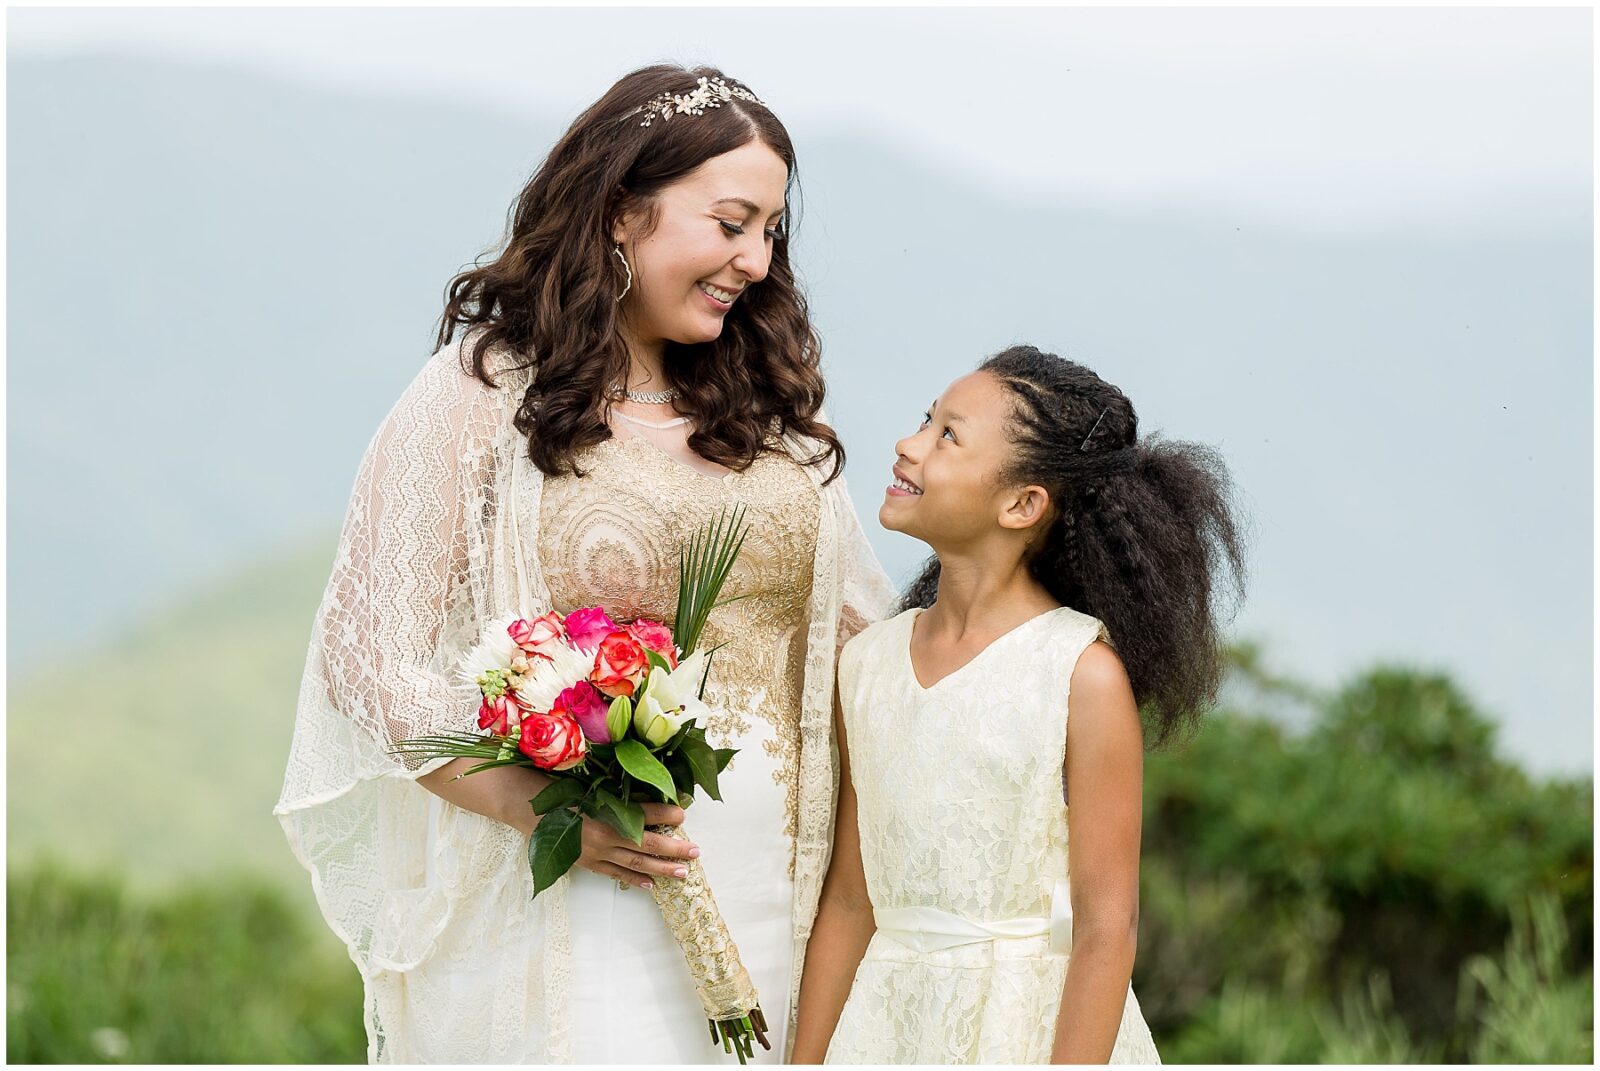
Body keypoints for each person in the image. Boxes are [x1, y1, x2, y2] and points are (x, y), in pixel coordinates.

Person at [274, 64, 895, 1063]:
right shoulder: (483, 390)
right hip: (581, 892)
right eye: (731, 221)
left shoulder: (768, 415)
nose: (755, 260)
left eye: (771, 230)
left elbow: (871, 637)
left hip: (784, 891)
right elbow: (367, 655)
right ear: (619, 212)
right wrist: (537, 808)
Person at [791, 345, 1246, 1063]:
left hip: (1028, 1031)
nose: (909, 445)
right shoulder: (868, 663)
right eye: (925, 420)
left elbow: (1106, 926)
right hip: (887, 1030)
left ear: (1022, 502)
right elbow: (852, 899)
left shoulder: (1078, 674)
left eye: (948, 435)